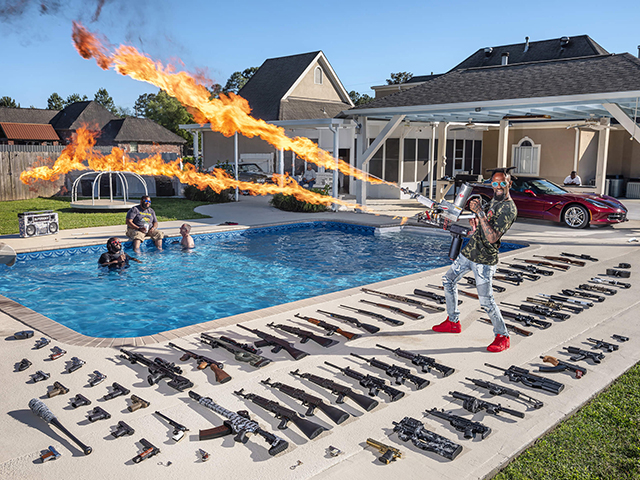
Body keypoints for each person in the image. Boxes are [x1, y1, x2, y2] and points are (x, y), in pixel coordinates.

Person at [431, 168, 518, 352]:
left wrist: (479, 213)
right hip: (469, 252)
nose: (498, 186)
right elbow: (484, 227)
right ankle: (453, 322)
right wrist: (475, 223)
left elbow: (493, 237)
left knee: (486, 301)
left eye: (502, 183)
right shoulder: (495, 200)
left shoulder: (509, 208)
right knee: (448, 280)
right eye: (495, 183)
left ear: (509, 183)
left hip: (484, 260)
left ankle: (502, 336)